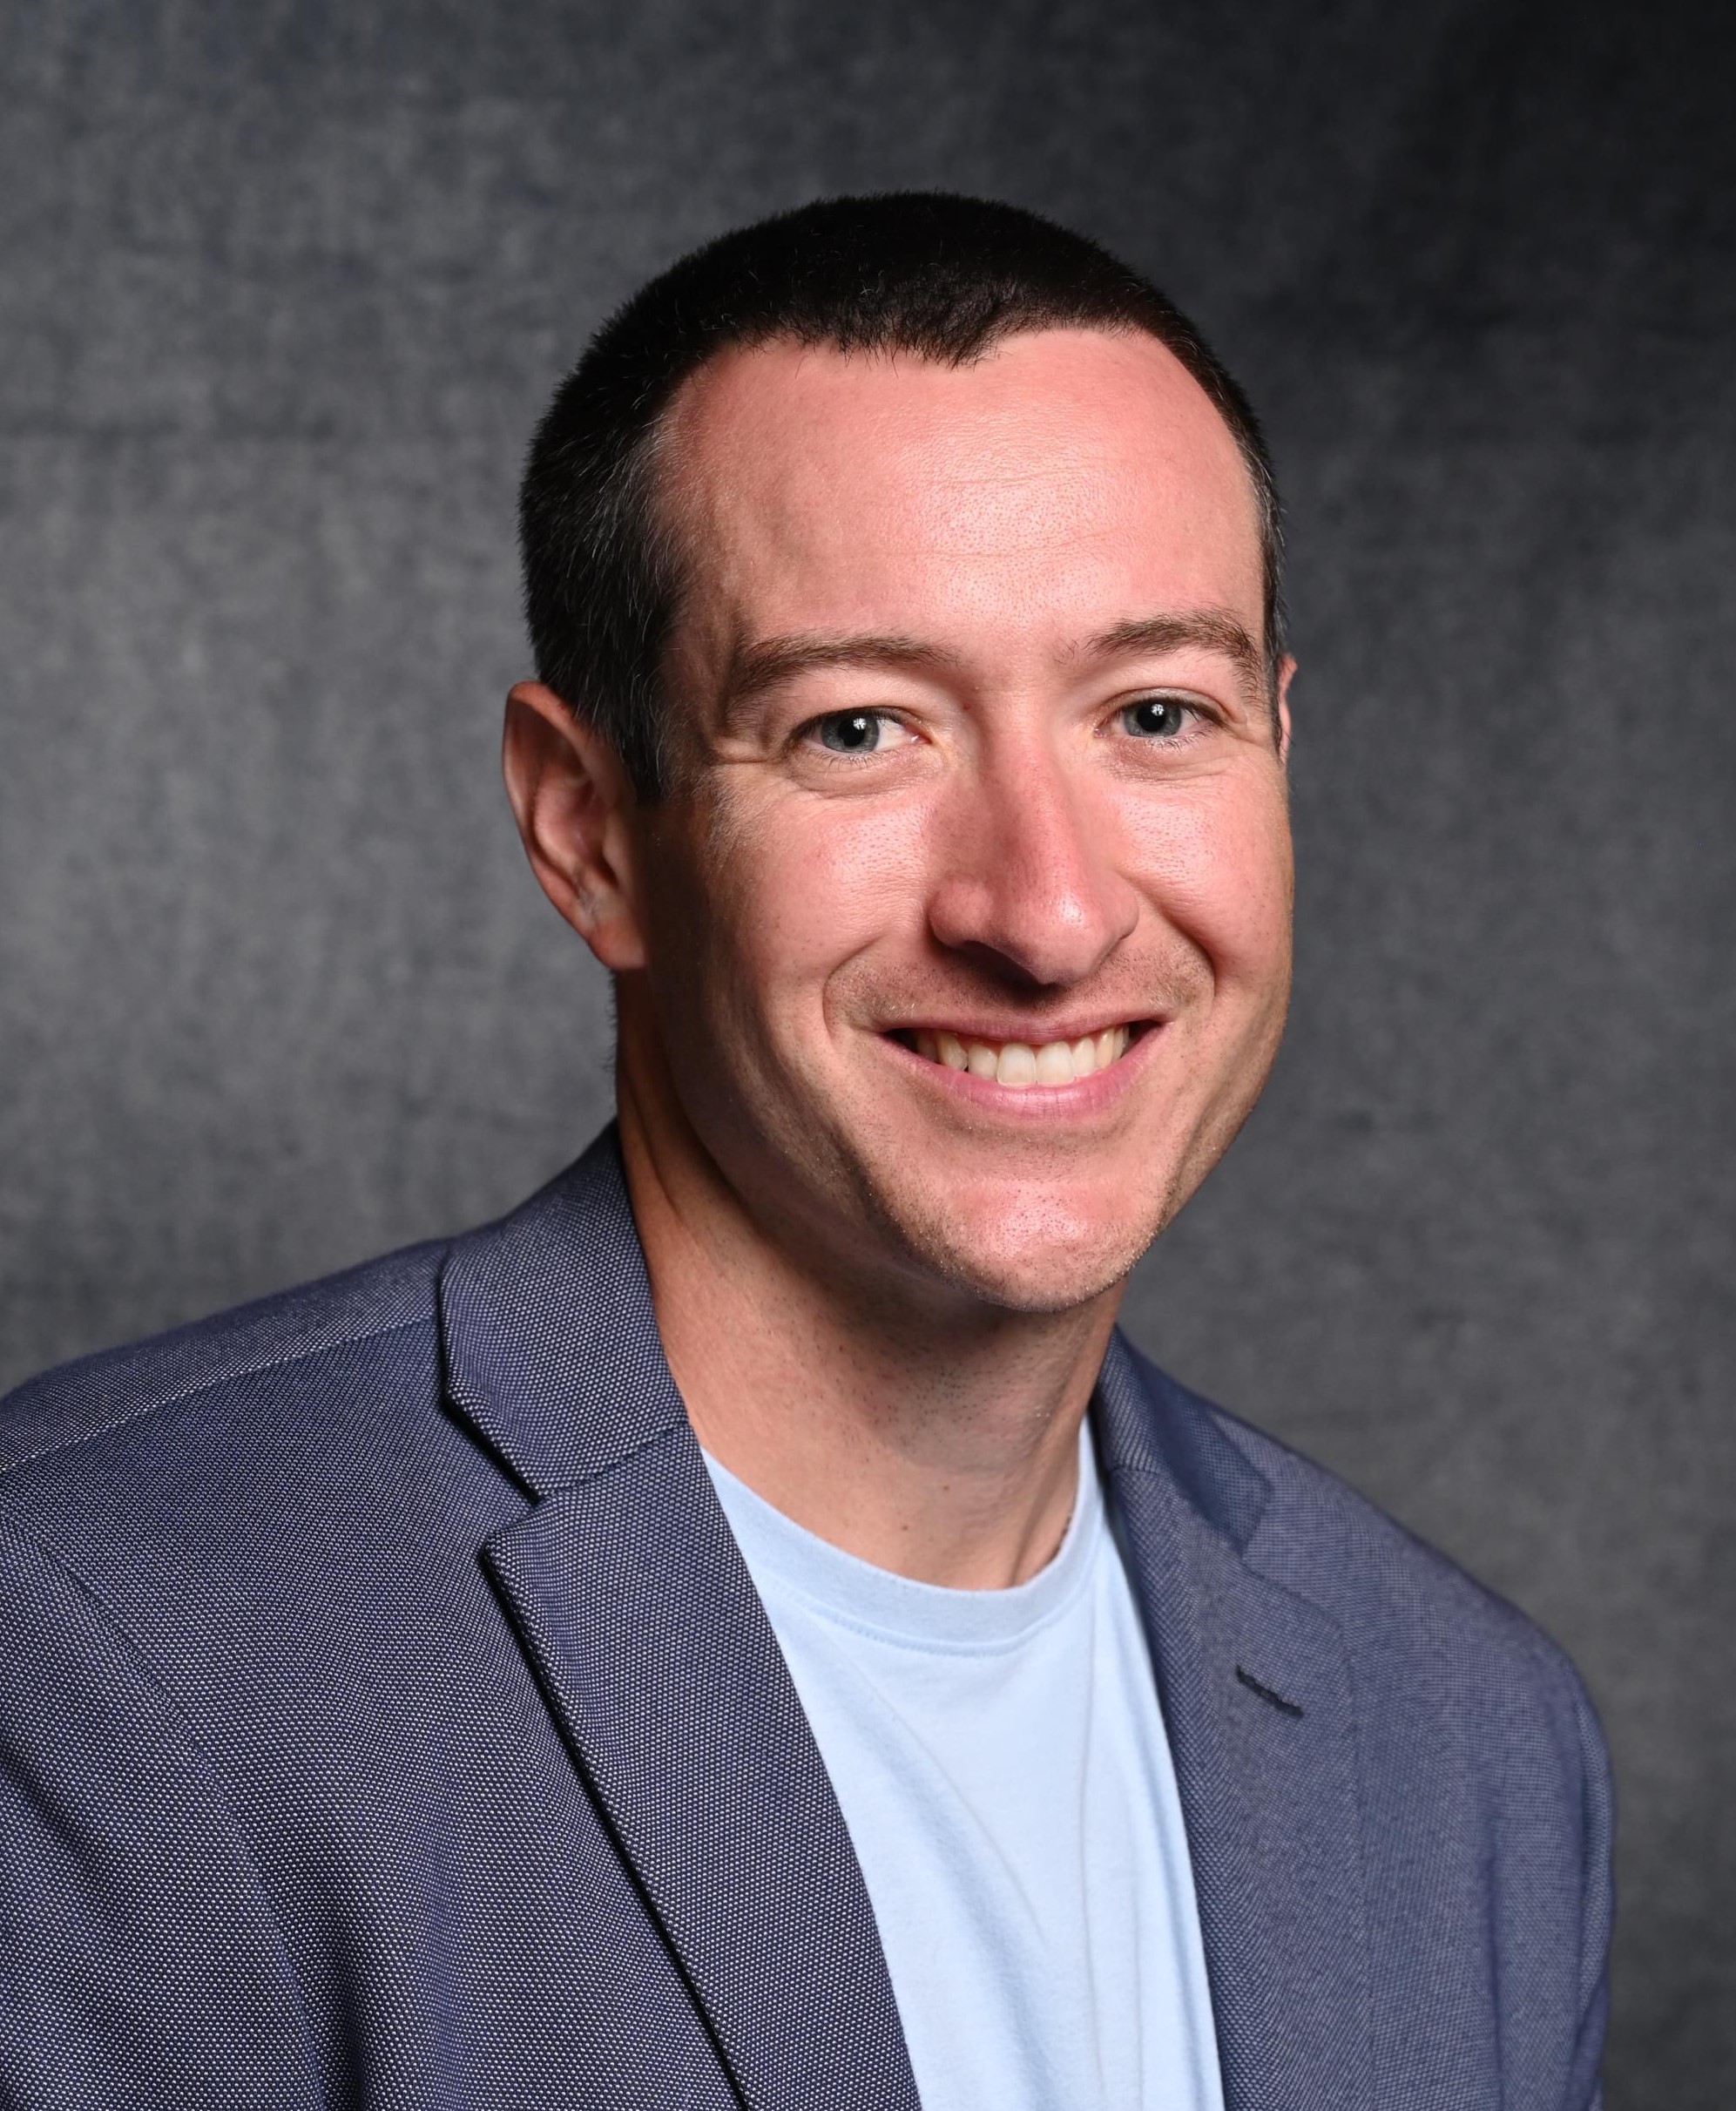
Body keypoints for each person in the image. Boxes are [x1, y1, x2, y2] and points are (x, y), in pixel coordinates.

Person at [0, 193, 1611, 2110]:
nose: (1047, 909)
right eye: (860, 729)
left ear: (1278, 747)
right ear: (590, 831)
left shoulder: (1466, 1743)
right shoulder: (101, 1654)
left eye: (1153, 714)